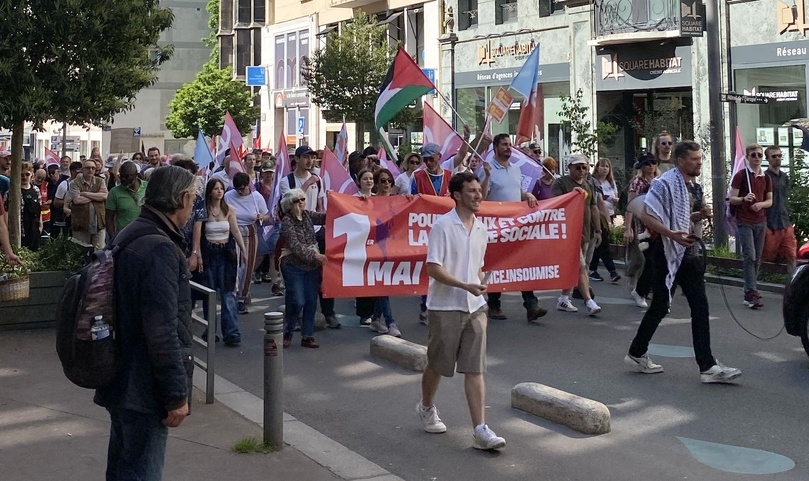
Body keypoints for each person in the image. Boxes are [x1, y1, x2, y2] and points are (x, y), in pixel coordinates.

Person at [94, 165, 197, 479]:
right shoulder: (160, 248)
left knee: (124, 469)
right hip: (143, 384)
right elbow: (162, 329)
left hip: (120, 374)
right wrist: (177, 394)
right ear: (181, 199)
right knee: (141, 471)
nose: (194, 208)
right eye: (193, 200)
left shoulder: (133, 233)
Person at [624, 141, 741, 384]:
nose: (699, 162)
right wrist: (671, 234)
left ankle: (707, 366)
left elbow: (682, 215)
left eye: (700, 158)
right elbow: (647, 214)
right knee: (660, 306)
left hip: (687, 252)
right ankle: (636, 353)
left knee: (700, 307)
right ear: (680, 161)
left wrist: (698, 217)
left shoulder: (692, 187)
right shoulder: (664, 183)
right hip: (667, 251)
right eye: (694, 159)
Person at [417, 171, 506, 451]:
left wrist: (479, 283)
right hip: (445, 306)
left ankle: (480, 429)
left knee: (475, 369)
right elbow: (433, 268)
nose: (478, 195)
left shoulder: (481, 229)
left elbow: (478, 266)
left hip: (476, 307)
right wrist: (464, 285)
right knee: (438, 365)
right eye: (471, 190)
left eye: (479, 190)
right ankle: (427, 406)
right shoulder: (443, 226)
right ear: (456, 195)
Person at [480, 133, 546, 322]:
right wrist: (486, 176)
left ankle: (531, 305)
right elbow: (481, 197)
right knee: (496, 265)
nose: (509, 148)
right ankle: (494, 305)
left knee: (521, 262)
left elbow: (516, 191)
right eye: (504, 145)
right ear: (495, 147)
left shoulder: (516, 169)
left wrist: (527, 195)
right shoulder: (486, 168)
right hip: (494, 225)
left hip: (514, 224)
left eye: (510, 144)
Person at [193, 178, 247, 347]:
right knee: (210, 294)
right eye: (216, 188)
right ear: (209, 191)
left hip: (226, 254)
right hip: (209, 255)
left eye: (221, 189)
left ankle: (231, 332)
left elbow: (235, 231)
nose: (219, 191)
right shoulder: (202, 210)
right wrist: (197, 254)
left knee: (228, 293)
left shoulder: (229, 209)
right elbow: (197, 234)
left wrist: (243, 250)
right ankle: (210, 331)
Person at [551, 155, 602, 316]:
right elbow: (555, 203)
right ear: (570, 168)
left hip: (585, 232)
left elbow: (594, 207)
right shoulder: (561, 183)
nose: (581, 171)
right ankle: (589, 301)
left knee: (580, 267)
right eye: (577, 167)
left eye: (584, 167)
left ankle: (564, 298)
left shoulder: (588, 184)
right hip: (568, 233)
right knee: (580, 266)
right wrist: (570, 195)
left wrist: (598, 230)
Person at [279, 188, 327, 348]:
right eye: (297, 200)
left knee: (311, 301)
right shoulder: (287, 221)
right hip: (293, 265)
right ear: (289, 205)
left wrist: (338, 203)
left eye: (303, 199)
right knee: (297, 300)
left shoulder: (307, 215)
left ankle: (308, 335)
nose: (301, 203)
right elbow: (295, 245)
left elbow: (326, 217)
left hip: (311, 267)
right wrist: (315, 256)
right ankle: (289, 331)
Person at [412, 143, 453, 324]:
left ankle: (442, 305)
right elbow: (412, 202)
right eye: (425, 159)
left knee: (446, 266)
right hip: (425, 230)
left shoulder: (450, 176)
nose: (428, 162)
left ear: (439, 156)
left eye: (431, 158)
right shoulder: (418, 176)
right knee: (428, 268)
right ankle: (425, 306)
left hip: (446, 229)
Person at [729, 143, 773, 309]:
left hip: (760, 221)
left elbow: (770, 200)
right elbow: (732, 198)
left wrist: (760, 205)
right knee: (750, 256)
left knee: (757, 258)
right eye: (753, 155)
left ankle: (750, 287)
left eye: (759, 155)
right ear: (747, 157)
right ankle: (751, 291)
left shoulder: (766, 177)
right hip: (744, 220)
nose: (756, 158)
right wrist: (743, 199)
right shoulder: (741, 175)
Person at [225, 172, 269, 314]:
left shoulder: (256, 197)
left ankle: (242, 297)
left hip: (250, 232)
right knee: (235, 263)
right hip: (233, 230)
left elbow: (268, 215)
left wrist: (262, 217)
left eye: (242, 189)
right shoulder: (229, 196)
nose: (240, 192)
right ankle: (233, 292)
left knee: (247, 265)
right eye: (237, 189)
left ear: (248, 186)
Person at [368, 168, 402, 337]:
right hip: (376, 246)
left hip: (393, 246)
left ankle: (375, 317)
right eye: (383, 180)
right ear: (376, 183)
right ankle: (390, 321)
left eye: (389, 180)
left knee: (384, 283)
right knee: (383, 284)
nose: (387, 183)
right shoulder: (370, 201)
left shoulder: (398, 201)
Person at [623, 153, 659, 308]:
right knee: (647, 261)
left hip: (659, 225)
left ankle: (649, 291)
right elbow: (630, 207)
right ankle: (640, 291)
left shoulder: (659, 181)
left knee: (657, 261)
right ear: (641, 167)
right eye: (647, 164)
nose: (650, 166)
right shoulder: (637, 183)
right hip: (643, 226)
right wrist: (627, 229)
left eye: (653, 163)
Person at [763, 146, 797, 275]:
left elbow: (784, 197)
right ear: (768, 159)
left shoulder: (784, 177)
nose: (777, 158)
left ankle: (792, 286)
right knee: (765, 256)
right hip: (770, 223)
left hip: (784, 222)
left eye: (779, 156)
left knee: (791, 254)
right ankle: (753, 286)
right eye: (773, 156)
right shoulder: (764, 177)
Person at [588, 158, 621, 284]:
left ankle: (592, 269)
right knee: (604, 243)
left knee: (599, 244)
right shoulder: (593, 182)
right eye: (602, 166)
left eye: (607, 166)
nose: (604, 168)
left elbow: (615, 196)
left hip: (609, 213)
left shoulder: (611, 183)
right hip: (599, 216)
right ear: (597, 167)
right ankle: (612, 271)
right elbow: (598, 200)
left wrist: (615, 200)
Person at [65, 160, 108, 249]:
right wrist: (96, 196)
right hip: (81, 223)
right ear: (82, 170)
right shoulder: (74, 183)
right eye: (88, 168)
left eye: (93, 168)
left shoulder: (101, 181)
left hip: (98, 223)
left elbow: (104, 196)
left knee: (99, 251)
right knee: (80, 251)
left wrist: (85, 193)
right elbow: (77, 200)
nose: (90, 170)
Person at [105, 161, 147, 242]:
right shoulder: (114, 192)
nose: (124, 179)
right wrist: (113, 239)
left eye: (127, 176)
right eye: (121, 176)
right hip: (123, 238)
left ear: (136, 174)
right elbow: (109, 218)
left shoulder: (148, 187)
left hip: (145, 236)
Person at [19, 163, 43, 251]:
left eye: (27, 174)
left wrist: (40, 225)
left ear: (32, 175)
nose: (24, 177)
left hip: (34, 230)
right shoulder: (12, 192)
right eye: (21, 175)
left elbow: (39, 208)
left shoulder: (36, 190)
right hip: (21, 232)